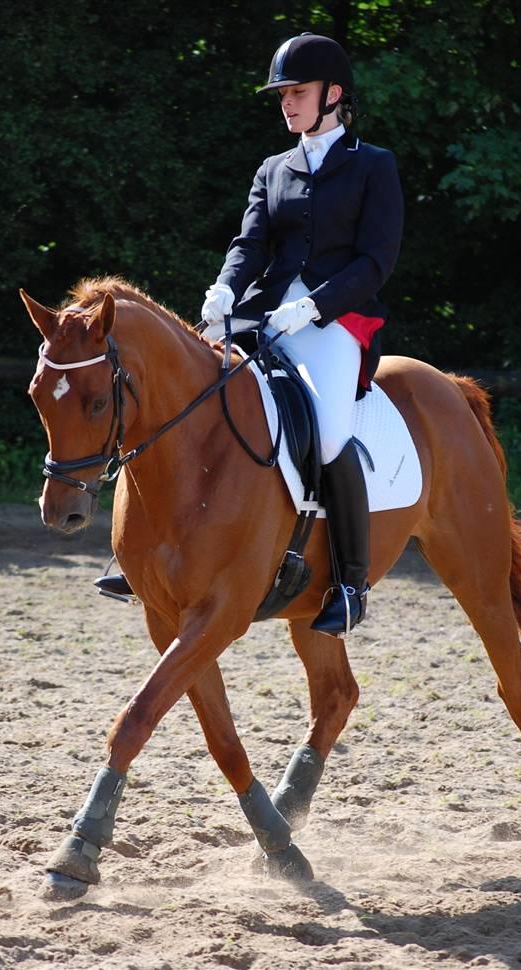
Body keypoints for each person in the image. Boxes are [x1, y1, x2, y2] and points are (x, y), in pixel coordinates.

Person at [97, 32, 404, 636]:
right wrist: (224, 289)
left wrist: (315, 307)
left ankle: (349, 581)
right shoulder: (274, 168)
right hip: (263, 311)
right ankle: (138, 551)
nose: (287, 103)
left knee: (331, 430)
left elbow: (376, 261)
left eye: (298, 92)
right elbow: (250, 243)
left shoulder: (374, 166)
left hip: (335, 320)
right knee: (183, 388)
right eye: (283, 94)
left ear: (334, 95)